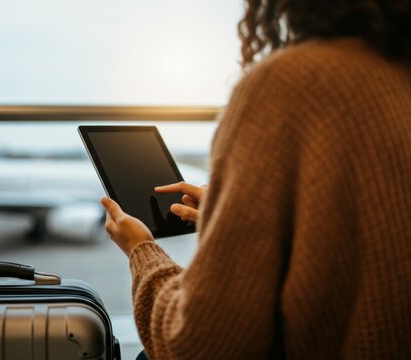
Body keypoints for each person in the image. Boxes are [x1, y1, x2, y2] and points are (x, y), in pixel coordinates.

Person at [101, 0, 411, 358]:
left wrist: (140, 250)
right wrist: (238, 219)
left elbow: (202, 344)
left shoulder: (286, 83)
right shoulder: (397, 76)